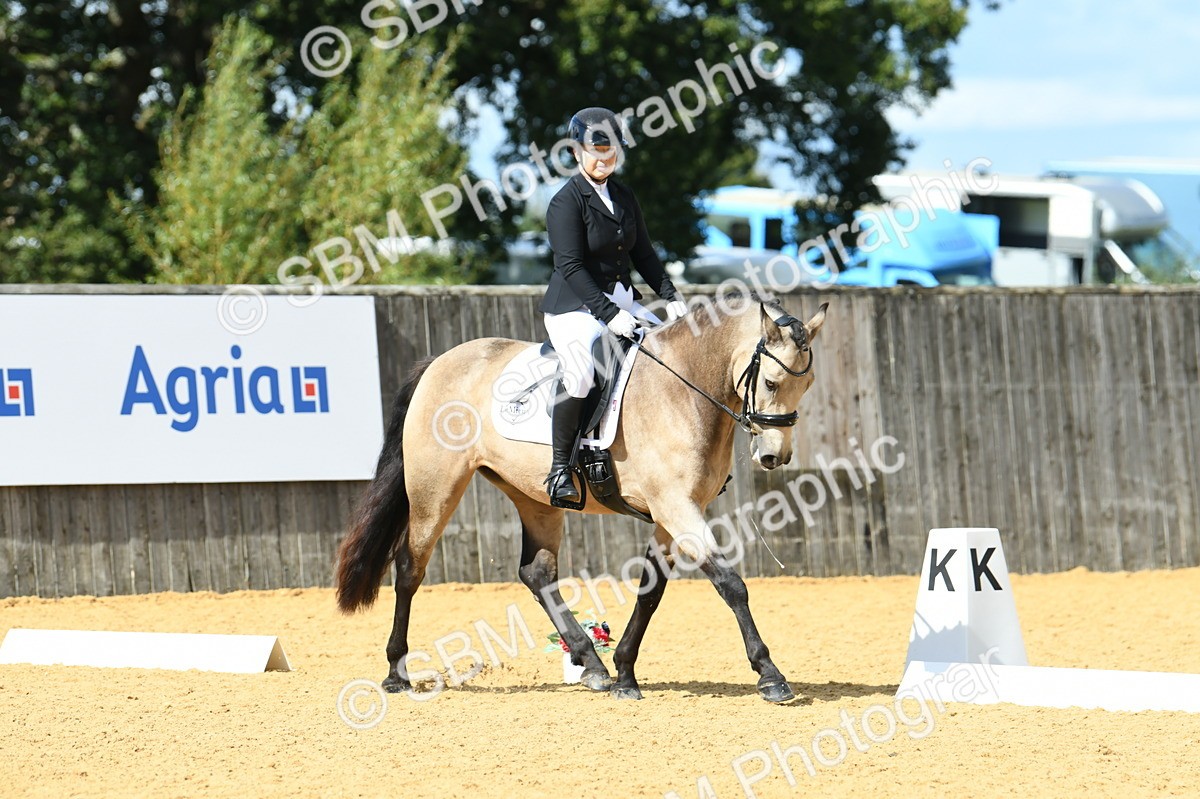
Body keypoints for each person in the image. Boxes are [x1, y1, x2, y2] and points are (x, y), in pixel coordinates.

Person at [540, 106, 688, 504]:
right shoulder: (565, 203)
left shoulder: (623, 195)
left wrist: (671, 297)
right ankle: (558, 471)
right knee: (582, 373)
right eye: (596, 152)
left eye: (612, 152)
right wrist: (608, 315)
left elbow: (644, 254)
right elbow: (570, 266)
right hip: (574, 308)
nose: (605, 159)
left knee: (668, 353)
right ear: (576, 152)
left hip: (623, 302)